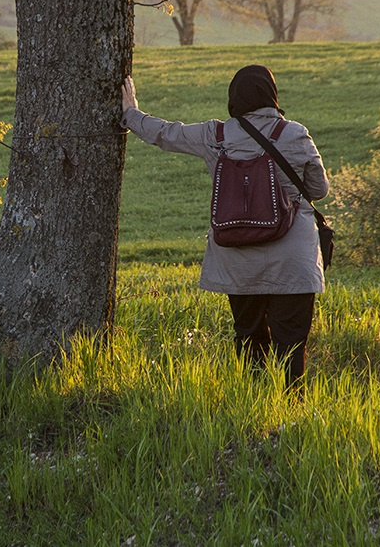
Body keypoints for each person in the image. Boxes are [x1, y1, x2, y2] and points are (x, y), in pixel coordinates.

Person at [121, 65, 329, 389]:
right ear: (272, 96)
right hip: (293, 259)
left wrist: (130, 112)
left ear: (234, 98)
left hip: (237, 257)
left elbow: (164, 133)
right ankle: (291, 409)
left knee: (248, 336)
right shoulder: (294, 134)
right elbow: (318, 190)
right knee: (291, 343)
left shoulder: (214, 136)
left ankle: (253, 405)